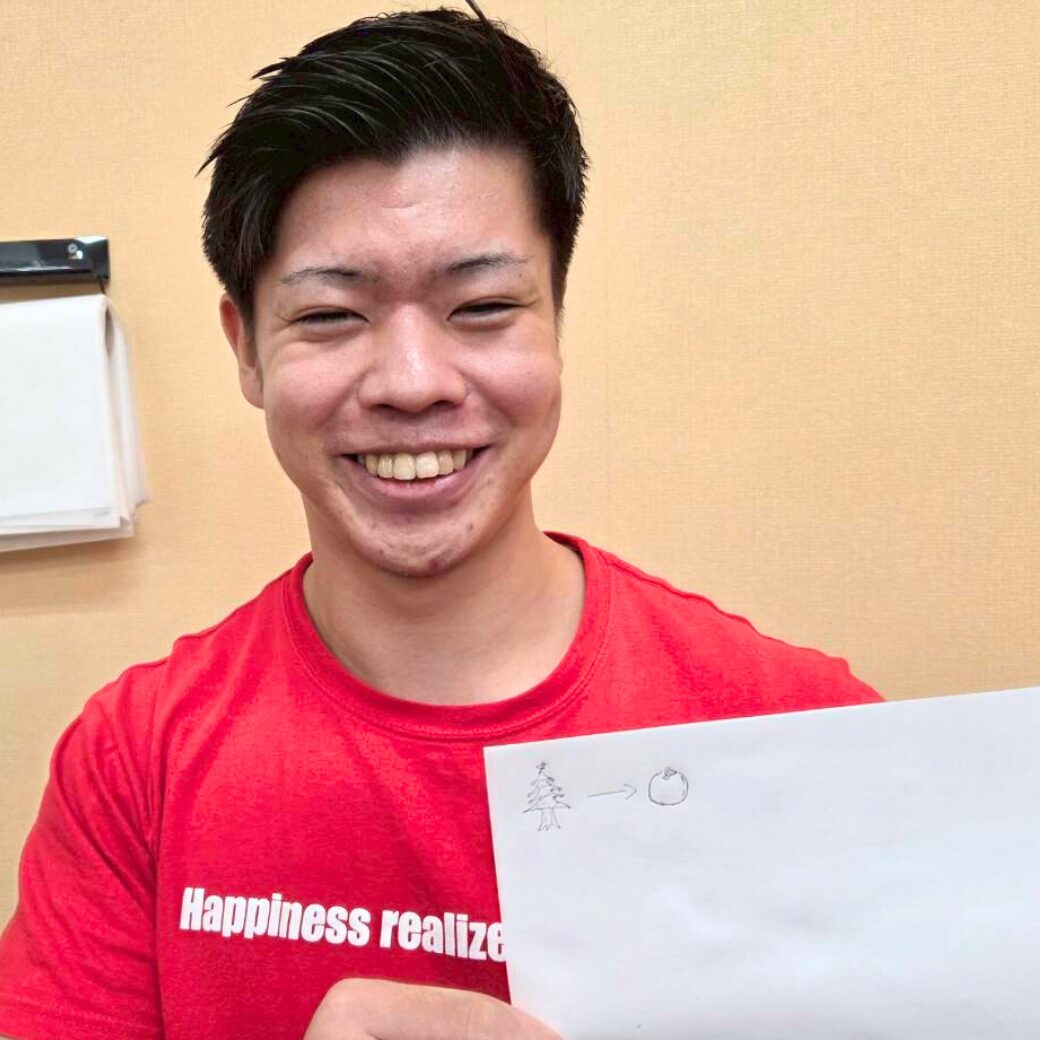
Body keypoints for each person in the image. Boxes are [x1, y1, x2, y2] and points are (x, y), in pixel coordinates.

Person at [0, 4, 882, 1039]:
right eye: (331, 315)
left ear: (556, 316)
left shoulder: (797, 731)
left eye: (482, 308)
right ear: (246, 349)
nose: (413, 382)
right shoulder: (134, 764)